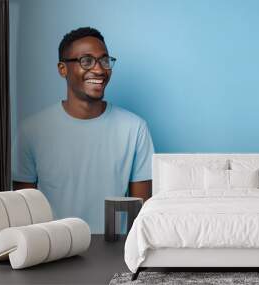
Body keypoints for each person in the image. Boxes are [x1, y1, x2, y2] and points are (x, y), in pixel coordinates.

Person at [12, 27, 154, 233]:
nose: (99, 70)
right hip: (52, 252)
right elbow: (23, 216)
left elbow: (141, 217)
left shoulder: (135, 129)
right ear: (63, 69)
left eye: (104, 61)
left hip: (115, 254)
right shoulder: (31, 131)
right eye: (86, 61)